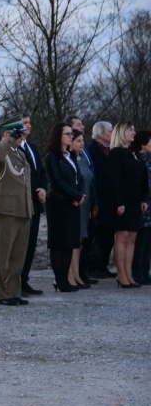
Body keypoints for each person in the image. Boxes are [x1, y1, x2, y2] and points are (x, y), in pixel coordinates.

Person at [0, 119, 33, 306]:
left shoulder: (20, 153)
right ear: (7, 134)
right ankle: (2, 293)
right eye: (18, 134)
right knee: (1, 253)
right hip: (5, 208)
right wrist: (8, 140)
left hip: (22, 208)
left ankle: (13, 290)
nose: (21, 137)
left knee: (18, 253)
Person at [44, 123, 84, 292]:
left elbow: (79, 177)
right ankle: (60, 280)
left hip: (72, 203)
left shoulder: (70, 156)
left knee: (70, 242)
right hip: (58, 203)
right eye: (67, 134)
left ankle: (65, 280)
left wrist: (79, 194)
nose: (70, 136)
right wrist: (75, 195)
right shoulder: (52, 157)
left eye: (71, 134)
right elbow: (57, 181)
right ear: (58, 136)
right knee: (59, 242)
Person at [108, 121, 149, 288]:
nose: (133, 132)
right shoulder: (116, 153)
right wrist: (119, 202)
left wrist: (144, 199)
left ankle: (129, 274)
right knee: (122, 237)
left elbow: (142, 180)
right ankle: (121, 275)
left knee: (132, 238)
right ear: (121, 132)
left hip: (135, 202)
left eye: (133, 129)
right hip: (123, 201)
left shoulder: (134, 154)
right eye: (130, 130)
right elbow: (114, 179)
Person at [17, 113, 47, 296]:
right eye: (25, 123)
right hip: (21, 203)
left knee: (31, 243)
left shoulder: (33, 148)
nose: (29, 125)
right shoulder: (13, 149)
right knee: (20, 244)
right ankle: (15, 281)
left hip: (35, 202)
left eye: (30, 122)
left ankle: (24, 279)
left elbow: (41, 172)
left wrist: (43, 189)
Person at [86, 121, 116, 279]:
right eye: (110, 131)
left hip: (110, 199)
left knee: (109, 234)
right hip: (98, 197)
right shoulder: (91, 150)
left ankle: (103, 264)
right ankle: (94, 265)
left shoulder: (112, 150)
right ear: (101, 134)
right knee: (98, 233)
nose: (112, 133)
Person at [68, 129, 95, 288]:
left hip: (85, 204)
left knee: (79, 240)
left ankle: (76, 274)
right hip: (74, 203)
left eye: (82, 141)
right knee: (72, 240)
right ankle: (70, 274)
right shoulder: (69, 160)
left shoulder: (83, 160)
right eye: (78, 141)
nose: (82, 143)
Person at [131, 130, 151, 285]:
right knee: (141, 238)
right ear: (143, 143)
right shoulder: (137, 159)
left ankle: (145, 269)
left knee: (148, 239)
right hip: (144, 202)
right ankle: (136, 270)